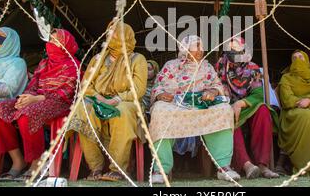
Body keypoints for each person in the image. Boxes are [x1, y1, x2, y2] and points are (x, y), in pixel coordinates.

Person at [0, 29, 80, 180]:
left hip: (59, 104)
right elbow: (33, 85)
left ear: (66, 45)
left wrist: (37, 99)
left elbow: (66, 93)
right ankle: (18, 161)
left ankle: (36, 163)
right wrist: (25, 97)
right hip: (35, 100)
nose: (50, 44)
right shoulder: (44, 64)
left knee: (27, 114)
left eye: (55, 41)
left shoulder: (73, 65)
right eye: (50, 40)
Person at [149, 35, 239, 183]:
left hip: (201, 107)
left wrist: (213, 92)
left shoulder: (207, 67)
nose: (200, 50)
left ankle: (224, 168)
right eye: (196, 46)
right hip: (175, 105)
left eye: (201, 46)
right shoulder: (171, 65)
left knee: (224, 109)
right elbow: (158, 86)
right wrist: (160, 95)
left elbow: (217, 84)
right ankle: (161, 169)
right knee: (160, 111)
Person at [68, 21, 148, 181]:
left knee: (123, 112)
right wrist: (99, 98)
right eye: (110, 32)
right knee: (82, 109)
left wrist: (117, 99)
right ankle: (95, 167)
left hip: (126, 100)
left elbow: (138, 89)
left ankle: (118, 169)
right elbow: (86, 84)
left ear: (127, 36)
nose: (111, 36)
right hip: (98, 99)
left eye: (116, 33)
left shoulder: (137, 59)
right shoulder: (98, 59)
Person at [216, 37, 279, 179]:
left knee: (263, 110)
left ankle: (263, 165)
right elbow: (216, 87)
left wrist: (240, 103)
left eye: (237, 47)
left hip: (247, 105)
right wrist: (229, 103)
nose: (233, 51)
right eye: (230, 47)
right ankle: (247, 165)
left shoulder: (253, 68)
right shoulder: (221, 65)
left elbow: (258, 94)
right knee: (229, 117)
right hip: (227, 106)